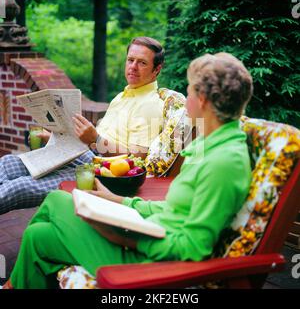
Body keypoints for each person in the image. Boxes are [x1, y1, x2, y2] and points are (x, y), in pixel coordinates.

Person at [2, 52, 253, 289]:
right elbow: (176, 210)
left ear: (203, 101)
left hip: (145, 261)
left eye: (188, 92)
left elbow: (193, 247)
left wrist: (126, 237)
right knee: (37, 236)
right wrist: (121, 202)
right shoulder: (208, 145)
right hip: (147, 233)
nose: (184, 100)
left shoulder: (223, 163)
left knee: (57, 200)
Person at [0, 36, 165, 215]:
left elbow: (137, 158)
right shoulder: (121, 96)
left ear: (156, 70)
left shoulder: (151, 104)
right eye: (130, 60)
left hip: (104, 172)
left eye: (142, 63)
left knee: (18, 188)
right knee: (7, 162)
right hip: (82, 153)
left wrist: (96, 140)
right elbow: (96, 140)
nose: (133, 67)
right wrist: (62, 137)